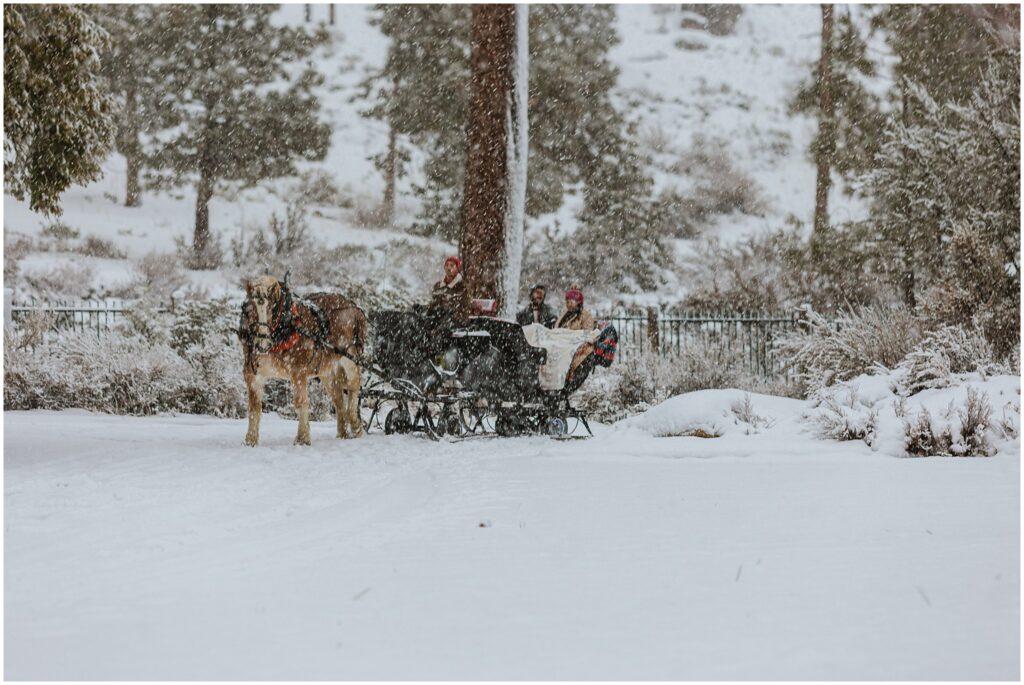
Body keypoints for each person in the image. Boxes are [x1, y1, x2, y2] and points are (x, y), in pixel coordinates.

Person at [429, 255, 470, 323]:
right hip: (439, 318)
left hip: (457, 319)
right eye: (447, 265)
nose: (448, 268)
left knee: (441, 328)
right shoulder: (438, 286)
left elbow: (462, 305)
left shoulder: (462, 286)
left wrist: (445, 306)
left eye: (452, 265)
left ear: (457, 268)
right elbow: (434, 303)